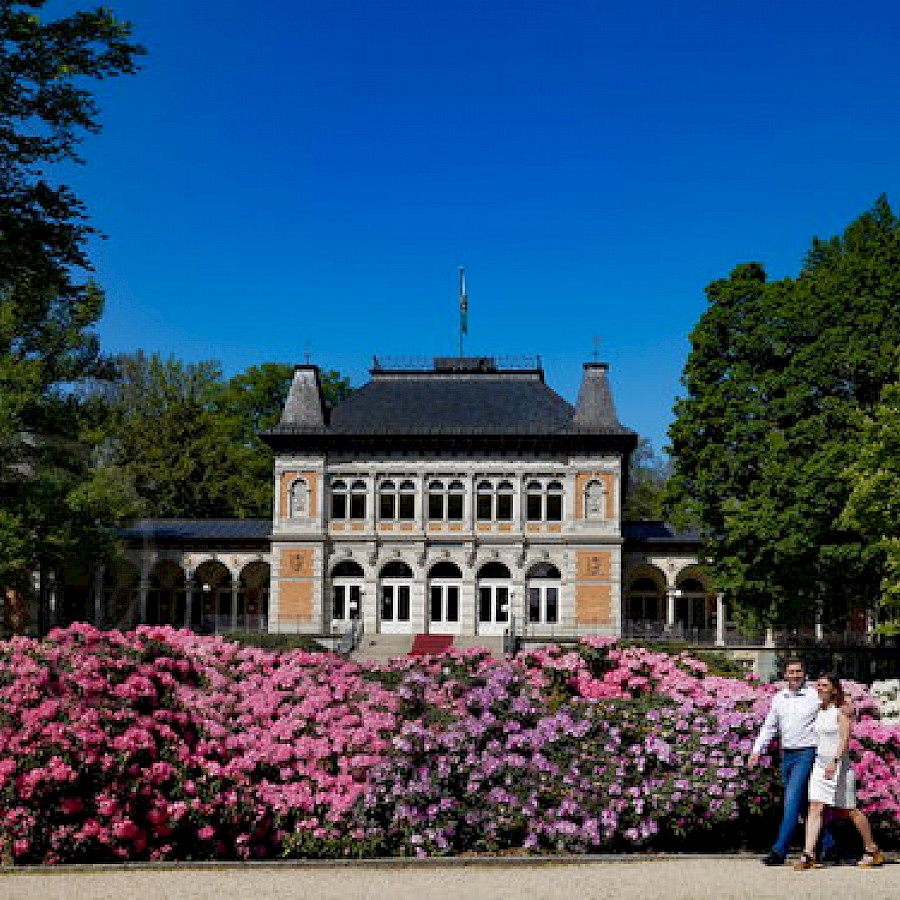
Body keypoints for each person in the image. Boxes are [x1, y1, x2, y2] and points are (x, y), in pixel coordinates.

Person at [749, 658, 834, 865]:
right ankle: (830, 845)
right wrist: (756, 751)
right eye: (791, 672)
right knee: (804, 805)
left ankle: (780, 851)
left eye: (798, 671)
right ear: (785, 674)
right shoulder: (779, 698)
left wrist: (848, 710)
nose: (795, 675)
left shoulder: (814, 695)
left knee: (791, 802)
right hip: (787, 755)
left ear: (804, 674)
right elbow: (770, 726)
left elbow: (836, 704)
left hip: (807, 754)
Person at [794, 673, 884, 869]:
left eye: (824, 685)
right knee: (815, 806)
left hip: (839, 766)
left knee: (849, 810)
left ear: (834, 689)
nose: (819, 688)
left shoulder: (841, 712)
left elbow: (844, 741)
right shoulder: (818, 710)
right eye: (818, 685)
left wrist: (835, 762)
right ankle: (808, 854)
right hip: (820, 764)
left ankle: (872, 848)